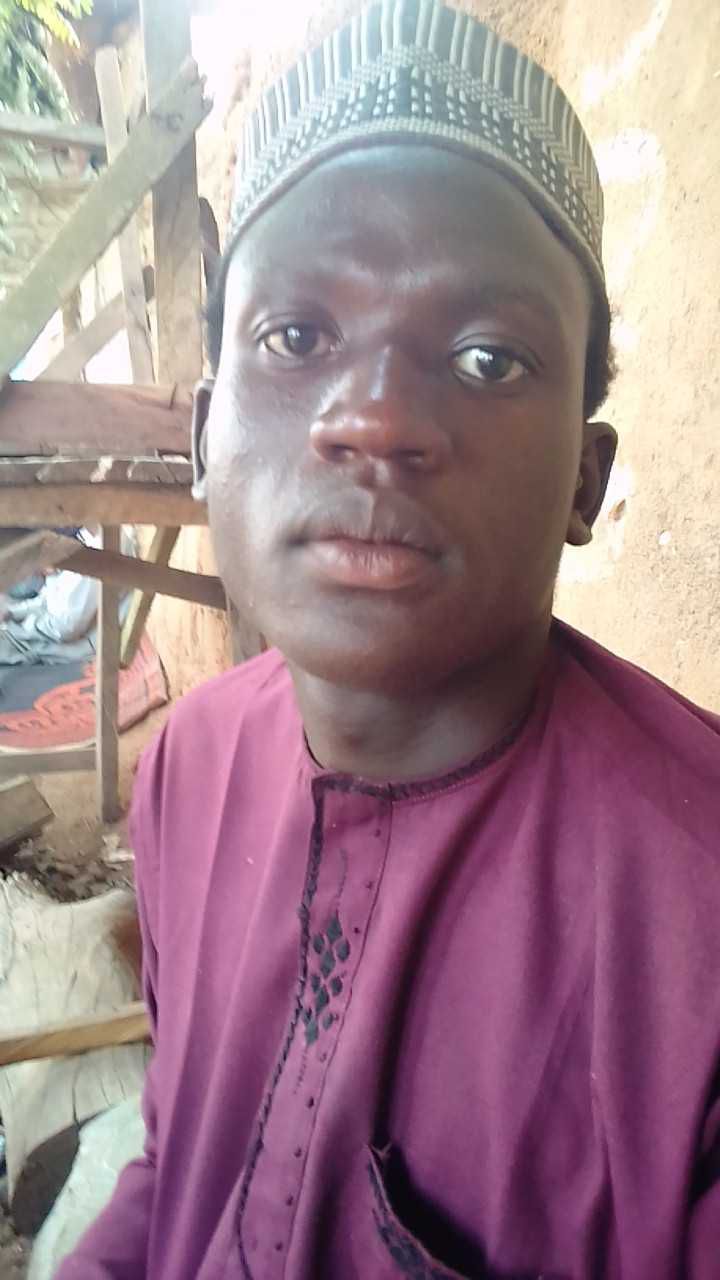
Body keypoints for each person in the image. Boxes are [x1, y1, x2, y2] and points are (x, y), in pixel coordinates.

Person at [56, 2, 720, 1277]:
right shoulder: (187, 762)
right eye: (296, 337)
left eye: (487, 358)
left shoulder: (701, 922)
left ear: (584, 481)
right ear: (203, 439)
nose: (374, 417)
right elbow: (178, 1165)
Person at [0, 526, 137, 669]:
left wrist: (16, 625)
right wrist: (12, 613)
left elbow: (63, 627)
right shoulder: (82, 543)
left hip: (71, 644)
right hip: (50, 633)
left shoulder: (100, 551)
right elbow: (49, 602)